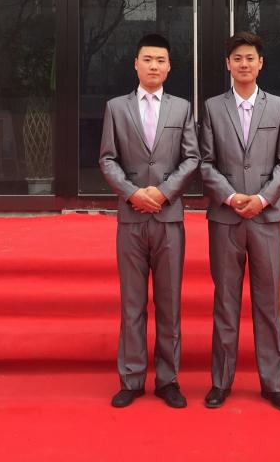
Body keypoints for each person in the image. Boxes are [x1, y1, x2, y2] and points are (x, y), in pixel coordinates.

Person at [99, 33, 199, 409]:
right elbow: (107, 158)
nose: (154, 66)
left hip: (169, 216)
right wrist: (132, 193)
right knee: (132, 302)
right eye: (148, 59)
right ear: (136, 64)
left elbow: (192, 158)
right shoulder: (116, 108)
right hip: (131, 216)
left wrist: (163, 192)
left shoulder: (181, 108)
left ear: (169, 67)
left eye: (160, 60)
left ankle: (168, 379)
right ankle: (132, 377)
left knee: (169, 302)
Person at [199, 31, 280, 412]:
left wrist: (261, 199)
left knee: (267, 302)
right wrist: (230, 196)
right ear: (228, 64)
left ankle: (273, 383)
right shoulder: (212, 108)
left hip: (265, 217)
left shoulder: (279, 107)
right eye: (237, 58)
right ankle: (220, 382)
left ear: (261, 63)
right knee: (225, 302)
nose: (243, 64)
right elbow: (205, 162)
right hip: (225, 218)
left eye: (250, 58)